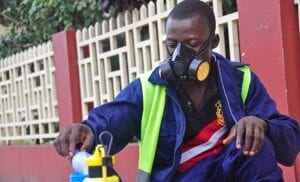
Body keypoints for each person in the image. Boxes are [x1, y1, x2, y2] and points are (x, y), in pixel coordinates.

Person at [54, 0, 300, 181]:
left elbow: (290, 140)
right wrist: (87, 130)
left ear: (213, 43)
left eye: (191, 45)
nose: (179, 55)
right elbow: (108, 121)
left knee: (256, 145)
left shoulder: (241, 81)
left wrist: (262, 124)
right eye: (172, 45)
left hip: (229, 174)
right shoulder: (149, 88)